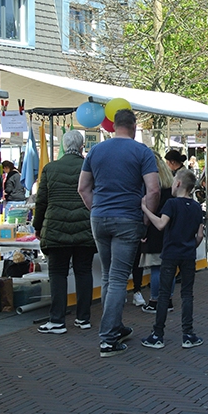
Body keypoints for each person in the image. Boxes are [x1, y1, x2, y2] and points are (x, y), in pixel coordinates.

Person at [78, 109, 160, 358]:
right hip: (127, 218)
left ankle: (114, 326)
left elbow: (83, 188)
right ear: (134, 126)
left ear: (113, 126)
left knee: (107, 277)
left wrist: (98, 210)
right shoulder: (142, 152)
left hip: (100, 218)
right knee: (117, 278)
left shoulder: (96, 151)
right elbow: (154, 190)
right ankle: (108, 339)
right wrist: (145, 218)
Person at [33, 130, 95, 335]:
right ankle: (83, 318)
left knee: (58, 273)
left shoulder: (50, 168)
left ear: (63, 146)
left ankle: (57, 320)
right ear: (81, 147)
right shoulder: (90, 167)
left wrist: (38, 225)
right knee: (84, 272)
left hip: (56, 227)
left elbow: (41, 201)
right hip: (85, 228)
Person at [140, 169, 204, 349]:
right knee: (187, 294)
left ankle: (158, 334)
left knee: (163, 294)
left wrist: (145, 208)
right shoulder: (197, 207)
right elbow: (199, 235)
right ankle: (188, 334)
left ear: (177, 184)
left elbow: (161, 224)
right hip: (188, 255)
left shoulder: (171, 204)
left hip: (170, 254)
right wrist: (191, 245)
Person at [138, 151, 175, 313]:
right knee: (168, 267)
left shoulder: (150, 183)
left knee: (155, 267)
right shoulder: (171, 183)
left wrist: (143, 229)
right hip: (170, 228)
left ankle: (154, 300)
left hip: (153, 227)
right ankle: (169, 300)